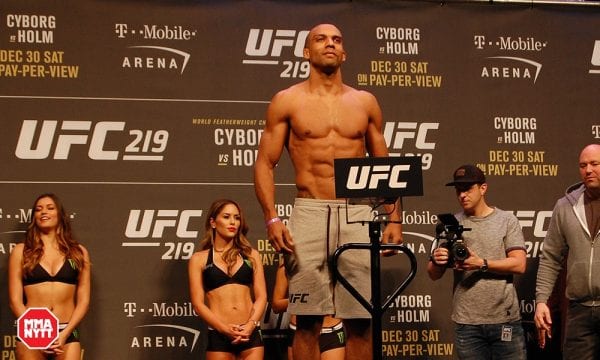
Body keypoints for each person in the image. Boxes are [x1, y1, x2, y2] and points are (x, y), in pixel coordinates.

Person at [254, 23, 402, 360]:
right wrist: (272, 218)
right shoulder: (287, 101)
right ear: (307, 52)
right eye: (320, 39)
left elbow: (384, 164)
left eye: (337, 39)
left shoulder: (365, 102)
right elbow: (265, 163)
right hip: (309, 211)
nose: (330, 44)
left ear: (344, 52)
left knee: (361, 320)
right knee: (306, 321)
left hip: (357, 211)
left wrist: (394, 219)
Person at [427, 165, 527, 359]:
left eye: (467, 189)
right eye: (458, 190)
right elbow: (432, 274)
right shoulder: (450, 224)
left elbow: (519, 264)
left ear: (483, 188)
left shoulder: (506, 220)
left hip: (504, 318)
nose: (462, 195)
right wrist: (438, 260)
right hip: (467, 322)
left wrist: (480, 263)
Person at [535, 143, 600, 358]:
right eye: (583, 165)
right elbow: (551, 257)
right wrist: (542, 300)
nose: (588, 170)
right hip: (579, 310)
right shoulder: (565, 206)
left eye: (594, 164)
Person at [8, 193, 91, 360]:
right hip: (32, 331)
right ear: (34, 217)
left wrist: (64, 334)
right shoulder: (21, 251)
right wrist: (40, 335)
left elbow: (83, 301)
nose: (43, 212)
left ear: (60, 214)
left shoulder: (78, 252)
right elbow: (15, 301)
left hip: (67, 331)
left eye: (50, 208)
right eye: (38, 209)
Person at [188, 199, 267, 360]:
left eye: (237, 218)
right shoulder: (199, 259)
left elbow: (262, 297)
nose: (233, 222)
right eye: (226, 217)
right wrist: (225, 329)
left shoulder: (251, 255)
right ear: (213, 222)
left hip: (250, 335)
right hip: (219, 335)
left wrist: (250, 326)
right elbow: (197, 304)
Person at [272, 262, 345, 360]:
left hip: (331, 330)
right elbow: (276, 305)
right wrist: (306, 300)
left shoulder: (336, 258)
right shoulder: (288, 262)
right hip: (300, 329)